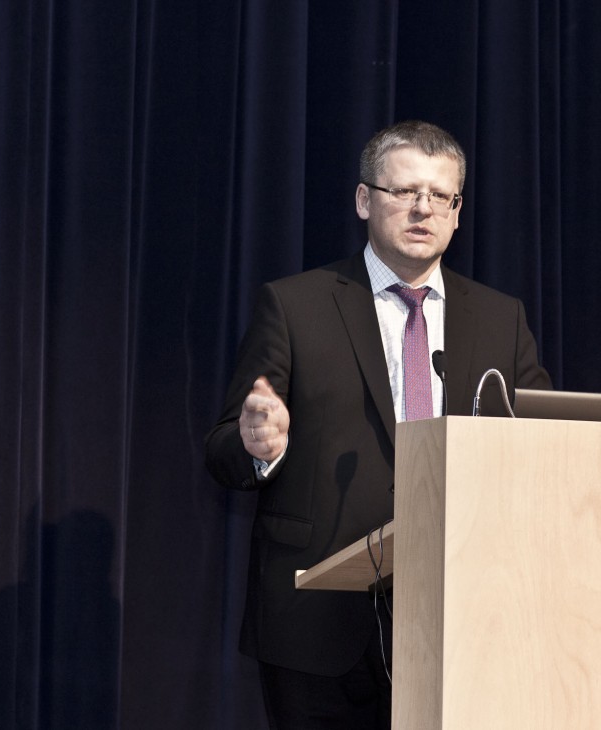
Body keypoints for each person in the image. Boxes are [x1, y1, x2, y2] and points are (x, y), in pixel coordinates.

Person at [204, 120, 552, 729]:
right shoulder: (295, 305)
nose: (423, 209)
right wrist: (259, 446)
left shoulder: (500, 318)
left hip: (460, 610)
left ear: (457, 213)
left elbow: (545, 442)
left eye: (440, 196)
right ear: (365, 200)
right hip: (316, 618)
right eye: (405, 191)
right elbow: (224, 448)